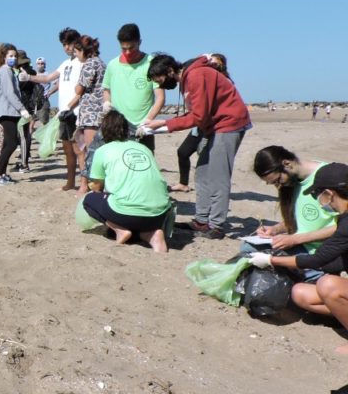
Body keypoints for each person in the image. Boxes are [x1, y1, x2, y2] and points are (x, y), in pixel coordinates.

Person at [143, 53, 251, 239]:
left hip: (229, 125)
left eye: (160, 80)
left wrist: (164, 125)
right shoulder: (187, 78)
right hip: (212, 127)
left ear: (170, 71)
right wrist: (163, 125)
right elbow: (197, 113)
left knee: (218, 176)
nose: (161, 85)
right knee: (202, 172)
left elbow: (199, 115)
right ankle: (201, 221)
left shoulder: (196, 75)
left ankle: (216, 226)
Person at [249, 163, 348, 332]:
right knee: (301, 293)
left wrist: (270, 260)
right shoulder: (342, 218)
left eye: (317, 194)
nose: (318, 200)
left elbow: (317, 259)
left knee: (327, 284)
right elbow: (335, 260)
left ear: (329, 193)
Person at [83, 111, 170, 253]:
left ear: (104, 130)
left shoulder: (102, 150)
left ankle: (121, 230)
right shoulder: (144, 148)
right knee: (134, 209)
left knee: (89, 200)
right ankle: (151, 234)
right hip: (160, 215)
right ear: (126, 129)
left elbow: (97, 187)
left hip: (126, 213)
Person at [251, 146, 337, 283]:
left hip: (322, 253)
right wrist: (275, 229)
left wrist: (295, 239)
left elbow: (343, 227)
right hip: (301, 246)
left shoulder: (328, 178)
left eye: (278, 180)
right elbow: (305, 219)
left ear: (287, 164)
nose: (278, 186)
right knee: (249, 249)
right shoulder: (294, 182)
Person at [24, 28, 83, 189]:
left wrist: (73, 104)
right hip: (63, 113)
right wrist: (29, 77)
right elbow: (48, 78)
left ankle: (84, 183)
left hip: (77, 112)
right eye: (64, 44)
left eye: (69, 43)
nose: (67, 47)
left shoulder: (83, 62)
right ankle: (71, 181)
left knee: (79, 149)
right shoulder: (65, 63)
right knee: (67, 149)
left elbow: (84, 88)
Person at [171, 53, 230, 192]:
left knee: (206, 156)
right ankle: (183, 183)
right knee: (183, 152)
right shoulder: (198, 75)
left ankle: (213, 187)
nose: (213, 64)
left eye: (216, 63)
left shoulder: (222, 79)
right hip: (199, 124)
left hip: (213, 125)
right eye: (211, 61)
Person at [102, 23, 164, 151]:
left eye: (131, 48)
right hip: (118, 127)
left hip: (142, 128)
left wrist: (148, 121)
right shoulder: (112, 65)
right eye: (123, 49)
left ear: (139, 42)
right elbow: (107, 90)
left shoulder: (151, 63)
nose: (128, 52)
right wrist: (107, 103)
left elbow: (160, 98)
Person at [69, 35, 106, 195]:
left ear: (83, 51)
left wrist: (77, 86)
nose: (75, 55)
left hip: (92, 114)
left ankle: (90, 187)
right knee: (88, 149)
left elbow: (79, 88)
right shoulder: (101, 63)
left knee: (91, 152)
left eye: (76, 52)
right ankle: (90, 185)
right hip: (96, 112)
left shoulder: (91, 64)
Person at [0, 43, 29, 186]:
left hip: (9, 111)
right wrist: (22, 109)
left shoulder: (9, 71)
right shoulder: (5, 70)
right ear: (4, 57)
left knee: (7, 143)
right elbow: (9, 93)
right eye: (10, 56)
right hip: (7, 112)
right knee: (12, 144)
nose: (13, 58)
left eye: (15, 56)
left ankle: (2, 173)